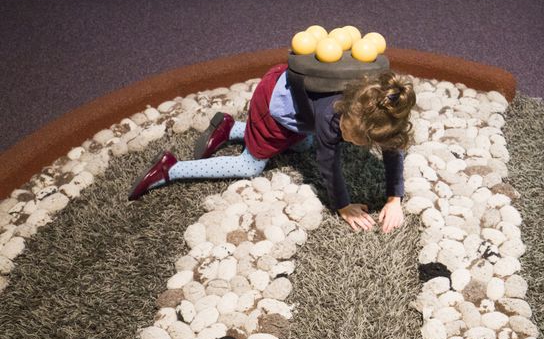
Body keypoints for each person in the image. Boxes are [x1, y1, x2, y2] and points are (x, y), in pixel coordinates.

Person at [128, 63, 415, 233]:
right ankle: (171, 169)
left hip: (298, 99)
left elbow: (393, 148)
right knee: (250, 165)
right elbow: (329, 166)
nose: (349, 140)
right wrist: (343, 206)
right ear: (347, 112)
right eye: (349, 134)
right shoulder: (331, 120)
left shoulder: (376, 107)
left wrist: (394, 199)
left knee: (303, 144)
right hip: (273, 105)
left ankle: (229, 129)